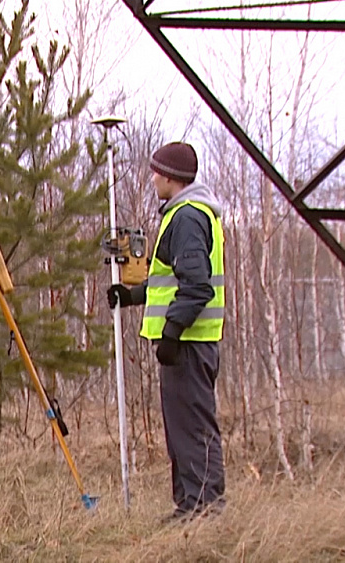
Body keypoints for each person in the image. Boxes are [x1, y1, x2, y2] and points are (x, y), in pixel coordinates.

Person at [107, 141, 226, 522]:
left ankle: (203, 510)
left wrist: (172, 333)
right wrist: (131, 296)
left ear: (171, 177)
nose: (153, 177)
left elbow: (196, 286)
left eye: (157, 172)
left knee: (191, 430)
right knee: (183, 428)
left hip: (189, 344)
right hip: (190, 342)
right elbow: (170, 282)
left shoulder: (188, 217)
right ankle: (190, 506)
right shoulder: (185, 214)